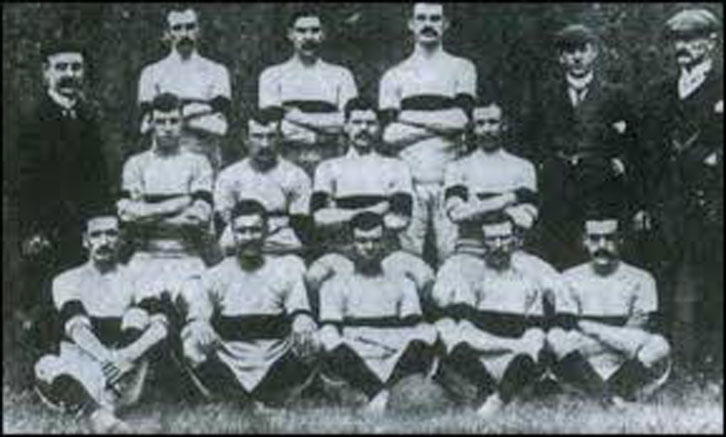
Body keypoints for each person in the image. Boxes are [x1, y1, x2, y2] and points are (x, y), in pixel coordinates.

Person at [14, 39, 111, 372]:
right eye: (61, 67)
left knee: (80, 296)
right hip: (45, 230)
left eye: (76, 67)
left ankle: (82, 362)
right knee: (44, 298)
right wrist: (30, 231)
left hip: (82, 229)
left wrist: (101, 225)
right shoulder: (31, 120)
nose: (70, 74)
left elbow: (99, 178)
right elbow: (18, 184)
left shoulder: (87, 116)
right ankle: (42, 369)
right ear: (46, 73)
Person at [637, 8, 722, 377]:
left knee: (712, 285)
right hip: (666, 205)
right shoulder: (659, 92)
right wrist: (642, 204)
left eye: (692, 39)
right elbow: (645, 153)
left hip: (712, 204)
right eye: (678, 41)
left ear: (712, 42)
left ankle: (711, 368)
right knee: (665, 282)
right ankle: (665, 368)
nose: (683, 47)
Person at [34, 210, 168, 433]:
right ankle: (99, 415)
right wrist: (108, 360)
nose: (104, 241)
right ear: (85, 241)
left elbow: (160, 327)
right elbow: (76, 328)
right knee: (45, 365)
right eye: (96, 235)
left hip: (126, 370)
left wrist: (125, 356)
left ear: (121, 239)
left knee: (136, 315)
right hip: (84, 363)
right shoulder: (67, 280)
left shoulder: (137, 278)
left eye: (111, 234)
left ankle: (99, 406)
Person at [180, 200, 318, 407]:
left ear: (266, 232)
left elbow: (300, 311)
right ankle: (239, 397)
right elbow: (198, 313)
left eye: (255, 230)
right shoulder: (215, 274)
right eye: (242, 231)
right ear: (232, 234)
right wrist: (199, 322)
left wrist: (302, 319)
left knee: (314, 339)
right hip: (231, 358)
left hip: (274, 356)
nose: (248, 237)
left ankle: (263, 396)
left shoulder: (285, 271)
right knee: (191, 342)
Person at [525, 24, 636, 271]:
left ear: (594, 52)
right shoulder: (546, 94)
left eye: (583, 50)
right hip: (557, 181)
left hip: (599, 183)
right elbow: (531, 136)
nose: (576, 57)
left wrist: (621, 162)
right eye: (569, 51)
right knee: (558, 245)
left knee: (596, 244)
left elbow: (634, 139)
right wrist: (543, 164)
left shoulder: (615, 95)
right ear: (560, 57)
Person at [379, 2, 477, 266]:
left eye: (435, 18)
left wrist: (406, 116)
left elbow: (460, 121)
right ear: (410, 24)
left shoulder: (462, 68)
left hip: (450, 180)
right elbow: (389, 135)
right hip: (409, 182)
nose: (428, 24)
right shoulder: (394, 75)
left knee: (451, 257)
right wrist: (438, 125)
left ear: (445, 24)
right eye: (421, 18)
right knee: (408, 261)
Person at [431, 211, 549, 418]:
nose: (498, 244)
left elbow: (535, 337)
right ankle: (492, 393)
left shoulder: (529, 283)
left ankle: (496, 401)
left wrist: (519, 348)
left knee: (529, 356)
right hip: (481, 358)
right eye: (492, 239)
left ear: (515, 240)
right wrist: (510, 344)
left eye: (504, 238)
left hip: (513, 361)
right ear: (483, 242)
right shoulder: (472, 279)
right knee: (455, 343)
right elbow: (466, 333)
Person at [545, 212, 671, 405]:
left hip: (624, 359)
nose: (602, 246)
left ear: (620, 240)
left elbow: (636, 334)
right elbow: (567, 327)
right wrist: (614, 334)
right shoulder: (569, 278)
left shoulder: (642, 279)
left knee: (659, 345)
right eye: (595, 239)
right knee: (555, 336)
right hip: (585, 359)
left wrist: (587, 325)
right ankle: (610, 398)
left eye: (609, 238)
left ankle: (610, 391)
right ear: (584, 241)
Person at [317, 212, 438, 412]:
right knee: (326, 335)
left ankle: (388, 390)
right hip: (357, 352)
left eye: (375, 241)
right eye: (362, 241)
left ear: (384, 243)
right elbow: (331, 330)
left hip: (395, 354)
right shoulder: (334, 284)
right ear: (351, 243)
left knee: (428, 331)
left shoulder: (402, 282)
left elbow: (413, 324)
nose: (369, 247)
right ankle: (375, 392)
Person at [117, 92, 213, 331]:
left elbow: (199, 217)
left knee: (199, 311)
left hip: (187, 255)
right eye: (161, 121)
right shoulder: (136, 164)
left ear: (182, 123)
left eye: (174, 121)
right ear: (150, 123)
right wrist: (181, 201)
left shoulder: (198, 163)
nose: (168, 128)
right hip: (145, 255)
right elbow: (128, 217)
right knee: (134, 315)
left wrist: (147, 211)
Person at [258, 8, 358, 177]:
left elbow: (349, 123)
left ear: (323, 34)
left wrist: (298, 117)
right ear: (290, 34)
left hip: (332, 162)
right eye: (301, 31)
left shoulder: (341, 75)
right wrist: (325, 129)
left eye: (315, 30)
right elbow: (273, 126)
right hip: (285, 163)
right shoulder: (272, 75)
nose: (308, 37)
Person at [311, 97, 414, 256]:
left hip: (385, 249)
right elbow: (319, 218)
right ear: (346, 126)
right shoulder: (327, 168)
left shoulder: (397, 167)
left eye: (371, 123)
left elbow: (400, 220)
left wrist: (340, 215)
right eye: (357, 122)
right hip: (341, 249)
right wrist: (377, 209)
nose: (364, 128)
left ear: (379, 127)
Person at [138, 8, 232, 172]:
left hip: (206, 156)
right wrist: (201, 112)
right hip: (164, 160)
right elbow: (148, 122)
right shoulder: (151, 73)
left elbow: (220, 123)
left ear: (198, 31)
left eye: (189, 27)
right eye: (177, 28)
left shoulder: (217, 71)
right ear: (167, 33)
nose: (184, 34)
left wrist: (175, 114)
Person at [443, 98, 538, 256]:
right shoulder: (457, 167)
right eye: (480, 124)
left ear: (504, 125)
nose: (486, 129)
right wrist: (510, 199)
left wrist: (476, 206)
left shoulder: (523, 167)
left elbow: (525, 221)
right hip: (470, 252)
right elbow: (457, 214)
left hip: (512, 253)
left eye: (493, 122)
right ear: (473, 128)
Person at [214, 108, 312, 257]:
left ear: (280, 138)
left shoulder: (296, 175)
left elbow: (300, 233)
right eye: (257, 137)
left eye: (271, 136)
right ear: (245, 139)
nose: (265, 144)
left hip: (282, 255)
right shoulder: (229, 176)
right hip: (242, 251)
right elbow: (225, 230)